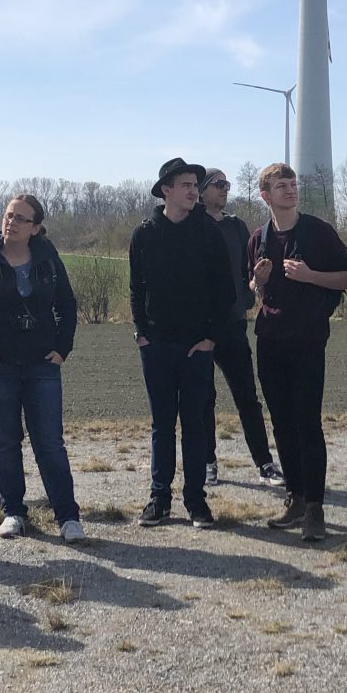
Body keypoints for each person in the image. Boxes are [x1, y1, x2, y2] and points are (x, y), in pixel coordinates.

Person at [0, 193, 85, 542]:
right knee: (6, 443)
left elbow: (67, 306)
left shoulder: (48, 260)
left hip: (42, 366)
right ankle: (13, 512)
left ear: (36, 228)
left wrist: (62, 349)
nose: (11, 222)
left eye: (21, 218)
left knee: (50, 443)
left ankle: (68, 517)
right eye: (8, 215)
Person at [248, 163, 347, 541]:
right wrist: (256, 282)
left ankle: (315, 508)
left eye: (292, 184)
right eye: (281, 186)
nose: (290, 190)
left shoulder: (318, 232)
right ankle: (294, 498)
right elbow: (256, 295)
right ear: (266, 195)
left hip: (308, 341)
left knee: (307, 422)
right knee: (281, 422)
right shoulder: (258, 238)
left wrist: (311, 275)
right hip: (270, 341)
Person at [128, 157, 236, 528]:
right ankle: (159, 498)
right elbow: (136, 286)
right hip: (156, 345)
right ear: (166, 191)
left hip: (196, 347)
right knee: (162, 424)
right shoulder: (144, 232)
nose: (194, 191)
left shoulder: (208, 231)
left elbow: (225, 290)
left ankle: (196, 501)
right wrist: (140, 332)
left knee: (194, 423)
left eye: (196, 184)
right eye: (187, 185)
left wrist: (210, 338)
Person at [200, 167, 284, 488]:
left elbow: (247, 271)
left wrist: (253, 289)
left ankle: (264, 463)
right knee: (202, 399)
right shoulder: (192, 227)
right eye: (218, 184)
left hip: (233, 325)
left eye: (227, 184)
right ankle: (207, 462)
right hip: (199, 328)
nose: (225, 189)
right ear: (203, 190)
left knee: (247, 396)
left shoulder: (237, 228)